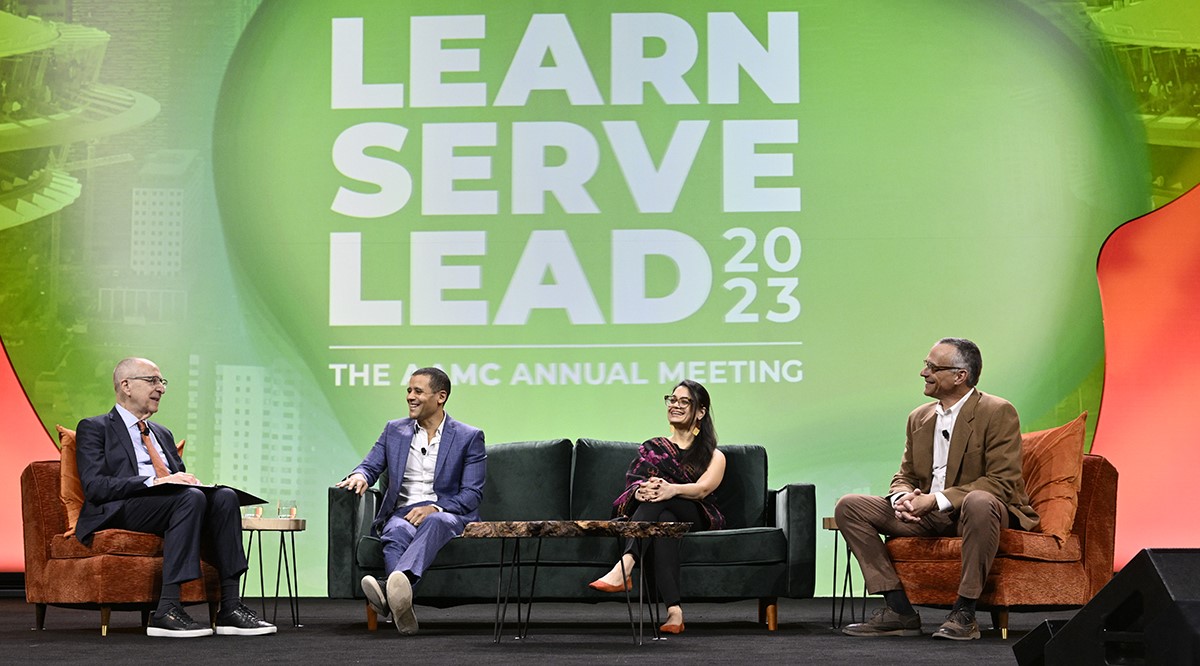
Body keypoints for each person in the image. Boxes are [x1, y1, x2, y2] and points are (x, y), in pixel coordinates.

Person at [834, 338, 1039, 641]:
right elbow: (904, 475)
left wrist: (935, 500)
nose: (923, 372)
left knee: (979, 501)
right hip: (928, 515)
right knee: (849, 506)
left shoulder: (997, 412)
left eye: (932, 367)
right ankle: (898, 610)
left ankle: (965, 612)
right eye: (925, 364)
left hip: (977, 514)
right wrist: (903, 497)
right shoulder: (919, 417)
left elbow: (1001, 481)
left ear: (960, 376)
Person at [75, 358, 276, 638]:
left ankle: (230, 607)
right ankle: (167, 609)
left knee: (225, 497)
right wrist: (156, 482)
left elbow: (178, 481)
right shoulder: (95, 428)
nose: (161, 388)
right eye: (152, 381)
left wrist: (188, 483)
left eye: (162, 382)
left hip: (171, 505)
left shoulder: (162, 433)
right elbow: (96, 486)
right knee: (190, 498)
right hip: (122, 507)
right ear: (126, 386)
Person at [335, 367, 486, 636]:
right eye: (408, 390)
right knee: (396, 531)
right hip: (402, 513)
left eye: (418, 391)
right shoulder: (395, 430)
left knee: (436, 521)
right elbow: (371, 465)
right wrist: (359, 475)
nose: (410, 397)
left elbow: (472, 494)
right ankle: (401, 606)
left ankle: (387, 591)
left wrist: (434, 508)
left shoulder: (468, 437)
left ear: (441, 397)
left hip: (447, 513)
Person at [588, 380, 726, 635]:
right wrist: (640, 492)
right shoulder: (652, 448)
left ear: (700, 412)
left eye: (684, 402)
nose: (675, 405)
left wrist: (671, 489)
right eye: (672, 400)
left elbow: (703, 489)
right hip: (664, 513)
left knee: (665, 501)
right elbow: (635, 483)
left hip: (697, 512)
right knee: (663, 522)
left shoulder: (713, 455)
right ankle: (675, 612)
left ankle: (625, 566)